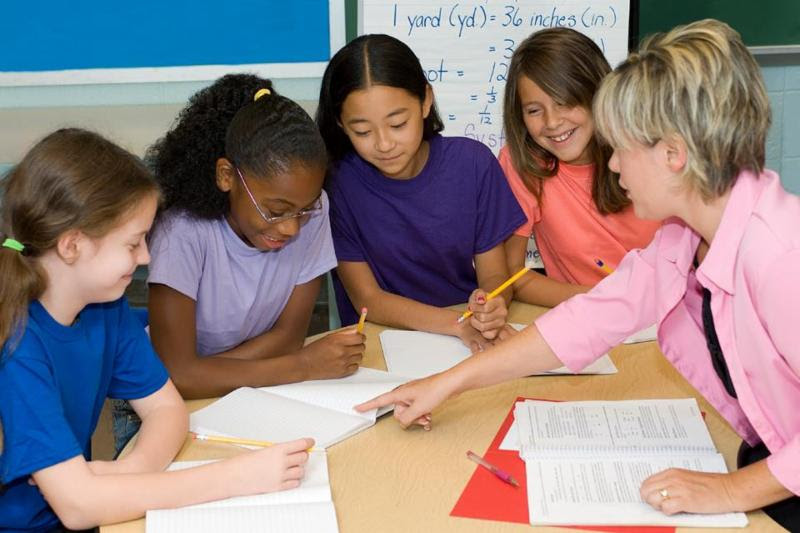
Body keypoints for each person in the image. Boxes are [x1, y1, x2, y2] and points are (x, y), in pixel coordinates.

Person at [358, 20, 800, 529]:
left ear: (673, 155)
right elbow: (591, 318)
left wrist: (729, 489)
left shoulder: (781, 258)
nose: (611, 166)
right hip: (773, 458)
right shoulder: (685, 233)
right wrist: (447, 383)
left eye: (621, 149)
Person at [0, 129, 314, 531]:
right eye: (133, 244)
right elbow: (78, 506)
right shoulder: (18, 346)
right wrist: (236, 478)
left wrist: (131, 471)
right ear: (72, 245)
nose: (147, 256)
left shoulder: (104, 306)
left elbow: (167, 410)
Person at [144, 74, 365, 403]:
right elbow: (175, 376)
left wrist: (204, 372)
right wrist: (302, 366)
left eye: (304, 210)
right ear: (227, 177)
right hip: (157, 400)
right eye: (276, 210)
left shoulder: (313, 209)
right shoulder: (182, 231)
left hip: (253, 384)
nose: (292, 228)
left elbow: (289, 337)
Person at [317, 34, 526, 351]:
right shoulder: (337, 185)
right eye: (362, 131)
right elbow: (367, 298)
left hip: (466, 336)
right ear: (341, 124)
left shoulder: (473, 164)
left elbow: (495, 273)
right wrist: (457, 325)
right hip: (382, 344)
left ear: (426, 101)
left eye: (398, 124)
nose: (384, 144)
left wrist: (492, 304)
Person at [500, 28, 661, 306]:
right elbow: (511, 276)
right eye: (534, 110)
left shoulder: (649, 149)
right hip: (590, 318)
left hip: (671, 314)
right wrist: (605, 300)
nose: (552, 122)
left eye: (564, 102)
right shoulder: (522, 164)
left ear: (596, 92)